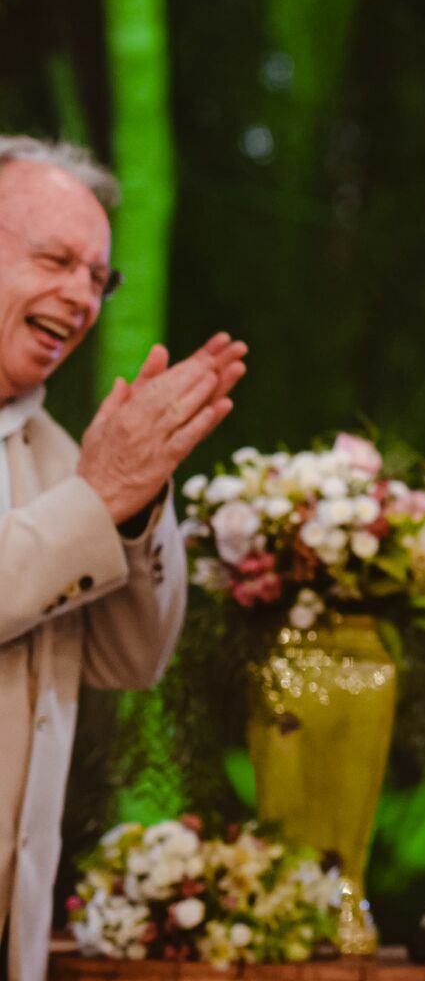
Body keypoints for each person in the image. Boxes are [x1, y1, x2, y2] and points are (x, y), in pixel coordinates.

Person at [0, 137, 246, 981]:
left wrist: (136, 503)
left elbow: (130, 657)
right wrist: (97, 497)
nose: (82, 297)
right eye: (57, 260)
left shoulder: (61, 450)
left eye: (98, 278)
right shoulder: (83, 476)